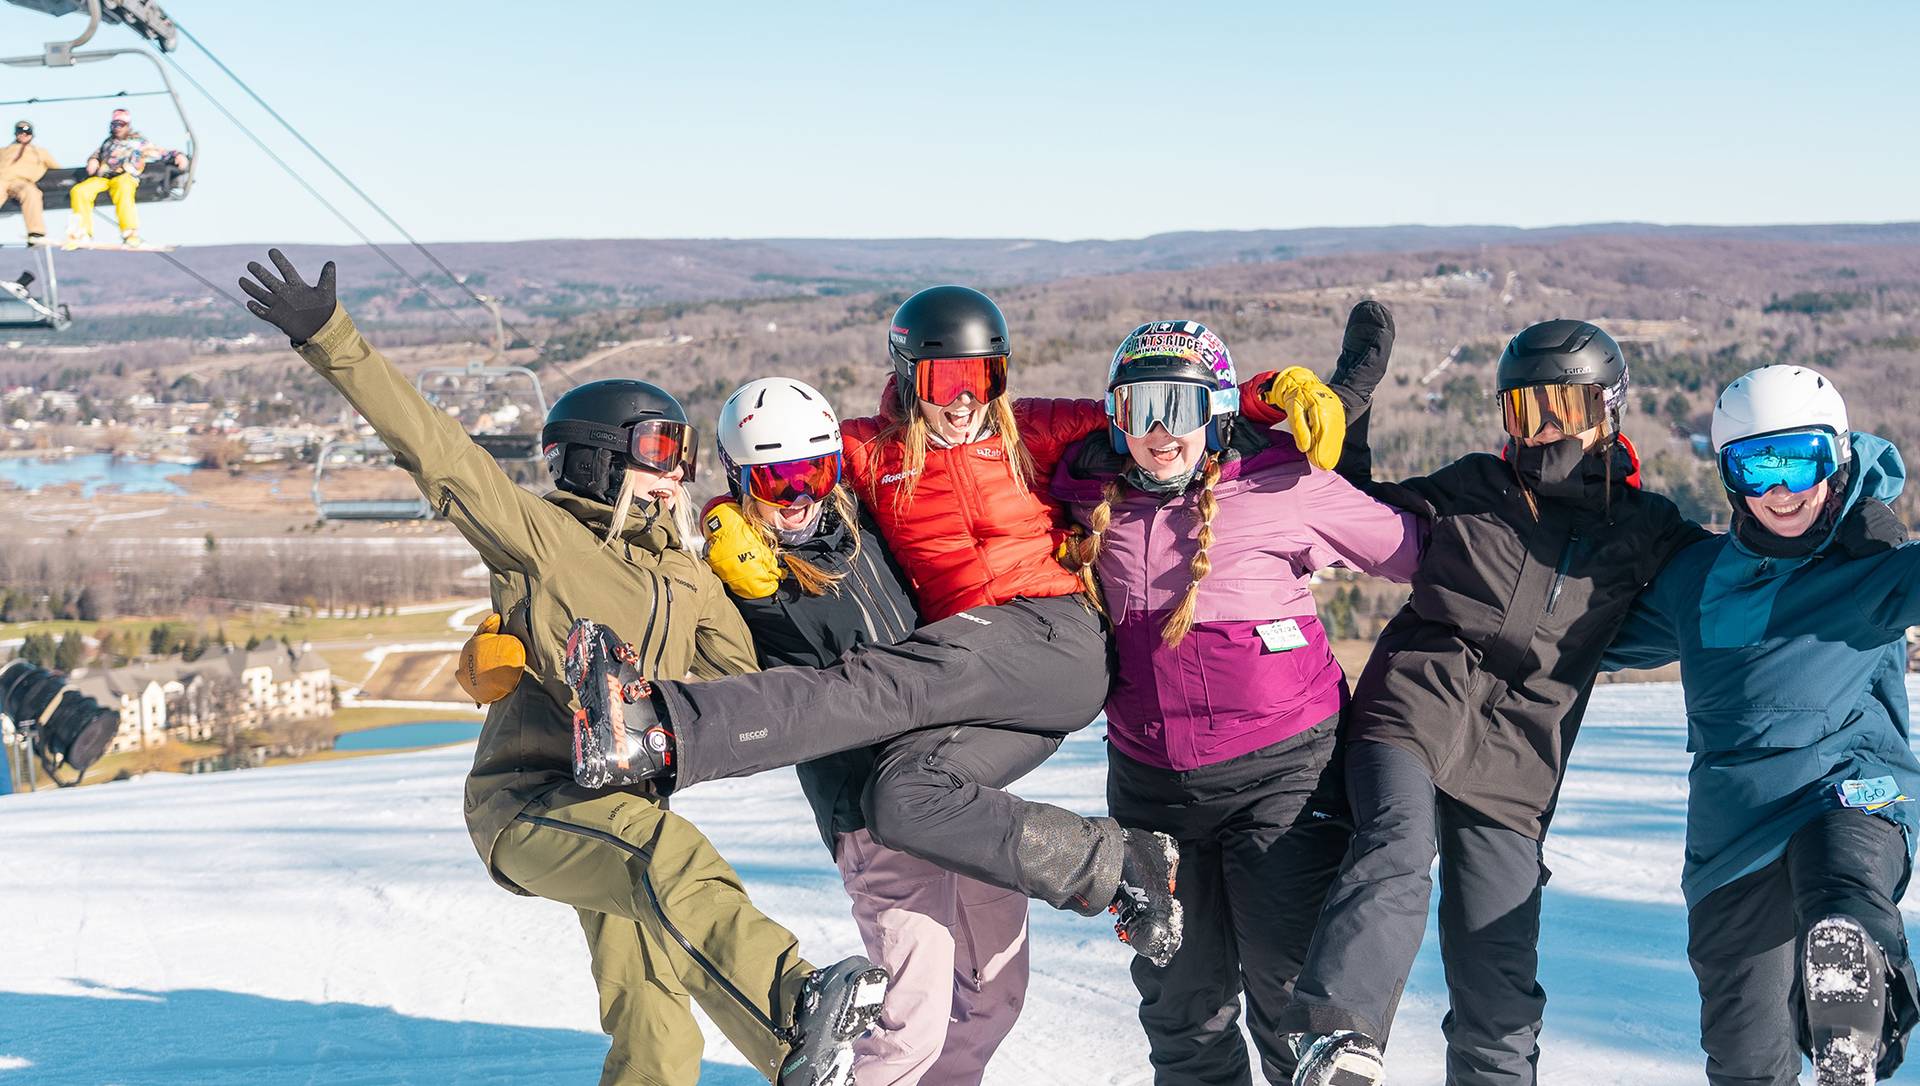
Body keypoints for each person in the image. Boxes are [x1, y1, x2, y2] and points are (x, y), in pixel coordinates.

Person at [237, 249, 888, 1086]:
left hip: (617, 808)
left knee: (654, 1018)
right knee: (670, 858)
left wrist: (749, 571)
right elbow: (441, 456)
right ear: (598, 459)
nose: (675, 473)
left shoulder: (685, 577)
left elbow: (751, 682)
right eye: (659, 450)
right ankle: (795, 1004)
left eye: (683, 452)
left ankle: (800, 1062)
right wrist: (332, 337)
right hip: (530, 806)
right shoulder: (548, 544)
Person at [564, 285, 1351, 970]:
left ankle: (665, 733)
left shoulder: (1034, 429)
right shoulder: (873, 452)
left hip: (1054, 638)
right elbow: (781, 464)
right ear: (911, 379)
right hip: (980, 675)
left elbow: (1153, 407)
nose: (966, 397)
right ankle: (1118, 867)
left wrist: (1264, 392)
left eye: (984, 376)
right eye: (947, 378)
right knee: (900, 799)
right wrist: (725, 511)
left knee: (879, 683)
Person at [1276, 318, 1713, 1086]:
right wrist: (1356, 399)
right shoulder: (1476, 486)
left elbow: (1738, 576)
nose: (1541, 432)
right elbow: (1356, 509)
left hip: (1518, 764)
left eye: (1560, 410)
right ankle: (1336, 1036)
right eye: (1522, 412)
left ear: (1606, 410)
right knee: (1398, 851)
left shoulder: (1648, 530)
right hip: (1408, 710)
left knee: (1497, 973)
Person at [1051, 313, 1425, 1085]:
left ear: (1217, 412)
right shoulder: (1087, 493)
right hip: (1152, 791)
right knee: (1181, 1012)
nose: (1161, 431)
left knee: (1290, 1002)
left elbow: (1419, 552)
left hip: (1284, 780)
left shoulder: (1283, 487)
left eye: (1182, 408)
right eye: (1139, 408)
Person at [705, 375, 1044, 1084]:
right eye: (775, 480)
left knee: (996, 994)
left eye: (814, 473)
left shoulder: (867, 524)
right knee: (910, 1024)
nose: (798, 498)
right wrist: (753, 593)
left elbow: (909, 435)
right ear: (740, 481)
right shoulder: (746, 574)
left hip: (955, 791)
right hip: (872, 814)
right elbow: (746, 659)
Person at [1605, 365, 1920, 1086]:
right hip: (1731, 838)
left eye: (1801, 460)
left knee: (1842, 883)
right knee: (1746, 1058)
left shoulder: (1871, 568)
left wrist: (1877, 518)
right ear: (1728, 476)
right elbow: (1579, 638)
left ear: (1836, 457)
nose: (1781, 489)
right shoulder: (1696, 580)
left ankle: (1850, 1020)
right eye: (1756, 466)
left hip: (1847, 792)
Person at [65, 108, 186, 250]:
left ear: (127, 125)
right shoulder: (109, 142)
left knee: (124, 191)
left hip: (125, 175)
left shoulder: (138, 142)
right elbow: (97, 154)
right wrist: (93, 160)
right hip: (104, 177)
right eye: (114, 124)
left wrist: (178, 156)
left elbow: (160, 152)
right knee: (80, 191)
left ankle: (130, 233)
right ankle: (82, 232)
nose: (117, 128)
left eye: (120, 124)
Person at [0, 120, 57, 246]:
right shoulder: (4, 151)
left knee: (32, 193)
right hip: (2, 180)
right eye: (20, 133)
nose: (23, 135)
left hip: (21, 182)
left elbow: (57, 170)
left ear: (31, 135)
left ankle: (36, 233)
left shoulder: (40, 152)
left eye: (27, 133)